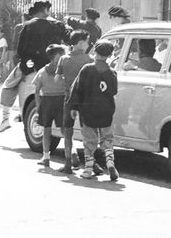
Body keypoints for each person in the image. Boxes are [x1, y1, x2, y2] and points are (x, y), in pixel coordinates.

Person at [68, 40, 119, 181]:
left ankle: (88, 169)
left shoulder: (86, 69)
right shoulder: (112, 72)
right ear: (109, 55)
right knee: (107, 138)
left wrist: (73, 106)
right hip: (106, 111)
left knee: (90, 140)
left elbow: (77, 89)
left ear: (95, 52)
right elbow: (114, 91)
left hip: (88, 110)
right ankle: (110, 161)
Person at [55, 30, 93, 173]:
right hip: (85, 99)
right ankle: (91, 162)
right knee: (88, 131)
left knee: (67, 130)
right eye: (87, 41)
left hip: (69, 97)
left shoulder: (64, 59)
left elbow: (57, 79)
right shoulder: (89, 59)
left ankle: (68, 163)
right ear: (81, 42)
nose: (88, 44)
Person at [32, 44, 67, 168]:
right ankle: (71, 155)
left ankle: (46, 156)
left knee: (46, 130)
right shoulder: (64, 71)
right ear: (57, 56)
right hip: (61, 100)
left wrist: (38, 106)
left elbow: (36, 90)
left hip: (46, 101)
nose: (64, 56)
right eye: (62, 54)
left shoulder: (42, 71)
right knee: (65, 129)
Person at [17, 1, 70, 76]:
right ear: (45, 10)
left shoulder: (28, 25)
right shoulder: (57, 25)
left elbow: (21, 49)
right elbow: (68, 39)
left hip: (32, 66)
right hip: (52, 66)